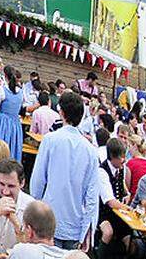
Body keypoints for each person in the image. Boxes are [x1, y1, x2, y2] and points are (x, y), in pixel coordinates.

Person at [30, 93, 101, 249]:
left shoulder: (50, 140)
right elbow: (92, 196)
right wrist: (86, 230)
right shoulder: (90, 150)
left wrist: (33, 214)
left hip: (50, 219)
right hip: (73, 223)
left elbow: (38, 181)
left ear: (61, 112)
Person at [0, 66, 25, 162]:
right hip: (15, 123)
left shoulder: (2, 90)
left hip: (2, 122)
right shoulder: (21, 92)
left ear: (5, 75)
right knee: (12, 146)